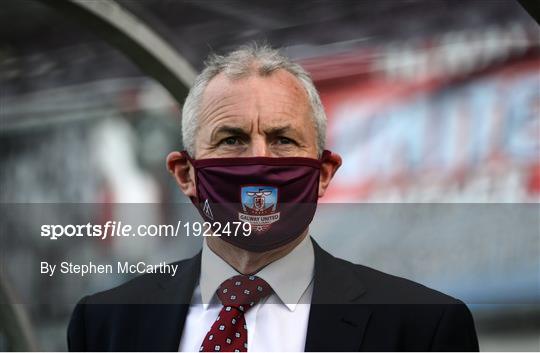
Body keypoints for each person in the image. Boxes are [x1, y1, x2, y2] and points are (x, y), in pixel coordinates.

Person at [68, 43, 479, 352]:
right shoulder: (104, 324)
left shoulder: (424, 328)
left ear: (323, 174)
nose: (259, 162)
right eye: (232, 139)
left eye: (283, 139)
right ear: (185, 173)